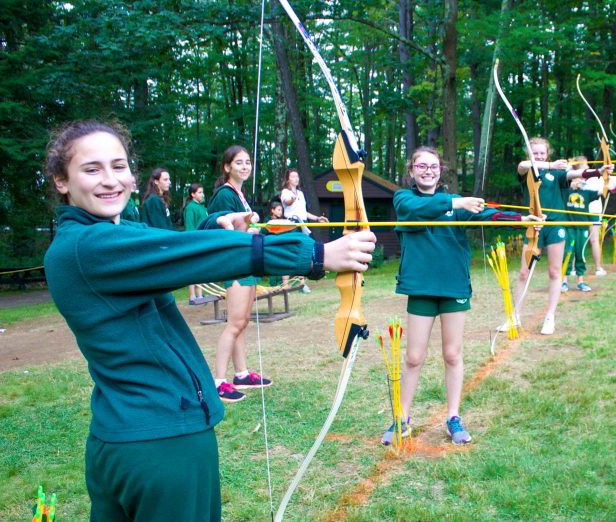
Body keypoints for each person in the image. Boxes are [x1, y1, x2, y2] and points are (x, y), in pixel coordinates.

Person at [43, 120, 376, 521]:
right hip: (165, 443)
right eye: (92, 169)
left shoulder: (91, 238)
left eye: (119, 166)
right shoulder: (89, 247)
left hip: (118, 440)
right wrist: (316, 256)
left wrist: (211, 224)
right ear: (62, 181)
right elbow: (184, 253)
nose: (111, 180)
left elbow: (159, 238)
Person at [385, 146, 538, 446]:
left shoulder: (459, 203)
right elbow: (417, 211)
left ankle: (453, 417)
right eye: (421, 166)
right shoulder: (404, 199)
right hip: (420, 288)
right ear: (412, 170)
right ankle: (401, 418)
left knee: (452, 354)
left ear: (441, 170)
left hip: (453, 286)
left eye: (434, 166)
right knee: (414, 357)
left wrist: (523, 220)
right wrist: (456, 202)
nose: (428, 171)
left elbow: (490, 214)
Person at [508, 138, 606, 335]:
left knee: (554, 272)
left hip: (555, 225)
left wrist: (598, 171)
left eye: (542, 153)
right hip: (534, 225)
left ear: (547, 153)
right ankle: (514, 317)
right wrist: (550, 164)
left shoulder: (558, 173)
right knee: (523, 273)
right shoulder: (527, 170)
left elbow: (576, 173)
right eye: (535, 153)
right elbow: (521, 165)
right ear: (530, 154)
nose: (539, 156)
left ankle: (550, 317)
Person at [206, 145, 267, 402]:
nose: (245, 166)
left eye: (248, 162)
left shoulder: (240, 195)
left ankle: (241, 373)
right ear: (227, 167)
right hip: (234, 264)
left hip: (246, 262)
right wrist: (248, 232)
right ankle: (218, 381)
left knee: (242, 322)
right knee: (234, 323)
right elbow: (221, 231)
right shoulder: (224, 195)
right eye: (239, 162)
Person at [280, 168, 328, 293]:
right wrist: (292, 199)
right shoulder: (285, 192)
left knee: (303, 253)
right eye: (293, 176)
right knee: (288, 252)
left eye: (297, 176)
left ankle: (301, 284)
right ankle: (285, 285)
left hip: (303, 223)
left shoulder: (300, 193)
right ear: (288, 179)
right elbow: (288, 202)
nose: (296, 178)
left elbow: (304, 212)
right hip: (292, 224)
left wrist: (317, 218)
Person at [562, 158, 603, 293]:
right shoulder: (565, 191)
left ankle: (580, 281)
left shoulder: (587, 193)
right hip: (569, 227)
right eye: (576, 179)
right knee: (568, 252)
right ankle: (564, 280)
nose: (579, 181)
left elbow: (603, 191)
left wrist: (609, 179)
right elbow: (565, 175)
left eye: (581, 179)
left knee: (580, 253)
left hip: (582, 228)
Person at [184, 182, 209, 305]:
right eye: (199, 192)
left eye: (202, 192)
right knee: (193, 268)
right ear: (192, 194)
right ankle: (192, 295)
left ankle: (200, 294)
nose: (202, 194)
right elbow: (190, 226)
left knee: (201, 268)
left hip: (204, 241)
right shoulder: (190, 207)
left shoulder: (203, 207)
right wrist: (192, 243)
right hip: (194, 242)